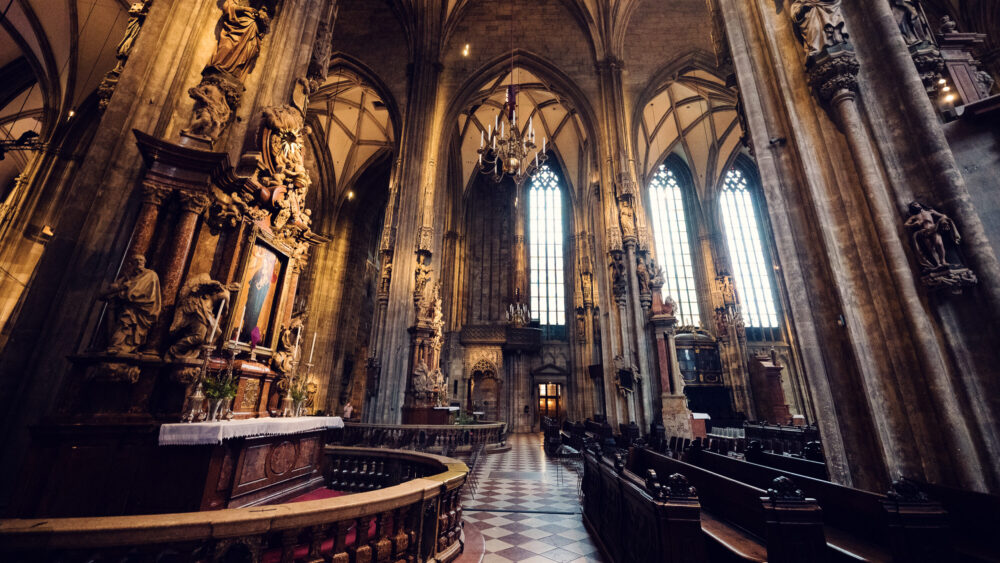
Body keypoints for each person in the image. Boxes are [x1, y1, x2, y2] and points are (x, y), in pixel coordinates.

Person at [103, 255, 161, 355]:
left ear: (145, 262)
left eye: (141, 260)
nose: (139, 262)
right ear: (131, 263)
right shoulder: (128, 277)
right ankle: (115, 346)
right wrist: (119, 288)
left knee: (129, 326)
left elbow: (134, 294)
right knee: (123, 325)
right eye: (136, 260)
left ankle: (120, 347)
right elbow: (106, 292)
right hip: (128, 309)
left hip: (142, 309)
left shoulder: (150, 275)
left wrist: (122, 293)